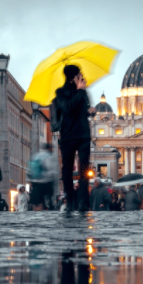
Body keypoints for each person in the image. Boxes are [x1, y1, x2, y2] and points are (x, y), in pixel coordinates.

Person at [55, 65, 95, 213]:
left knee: (85, 168)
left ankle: (83, 202)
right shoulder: (60, 92)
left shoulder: (83, 93)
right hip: (68, 135)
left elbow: (83, 110)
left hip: (83, 134)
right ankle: (70, 201)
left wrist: (90, 112)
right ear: (72, 78)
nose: (82, 77)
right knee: (67, 170)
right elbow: (68, 107)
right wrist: (80, 91)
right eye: (79, 75)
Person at [29, 143, 58, 211]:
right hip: (46, 181)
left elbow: (30, 169)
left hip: (35, 182)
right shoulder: (48, 156)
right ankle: (50, 208)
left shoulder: (35, 156)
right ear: (49, 148)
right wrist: (53, 179)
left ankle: (38, 212)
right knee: (49, 197)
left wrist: (31, 180)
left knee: (38, 201)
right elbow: (51, 169)